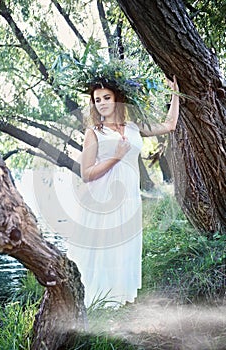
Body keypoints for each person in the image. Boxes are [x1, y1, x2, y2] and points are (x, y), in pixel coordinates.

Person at [66, 75, 179, 308]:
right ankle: (95, 302)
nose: (102, 103)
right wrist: (116, 157)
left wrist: (175, 92)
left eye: (106, 97)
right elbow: (86, 174)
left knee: (122, 247)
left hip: (129, 198)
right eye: (97, 100)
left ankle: (116, 299)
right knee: (102, 248)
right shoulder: (94, 133)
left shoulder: (133, 128)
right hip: (102, 198)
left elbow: (169, 125)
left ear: (118, 98)